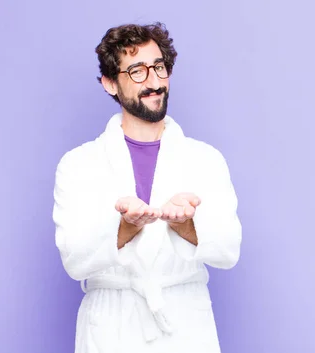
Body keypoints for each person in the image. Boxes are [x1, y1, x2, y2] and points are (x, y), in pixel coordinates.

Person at [52, 22, 242, 353]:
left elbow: (229, 250)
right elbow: (74, 259)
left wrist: (186, 227)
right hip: (111, 325)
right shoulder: (78, 165)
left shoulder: (205, 159)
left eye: (159, 67)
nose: (154, 82)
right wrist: (124, 228)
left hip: (185, 320)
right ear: (110, 84)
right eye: (137, 71)